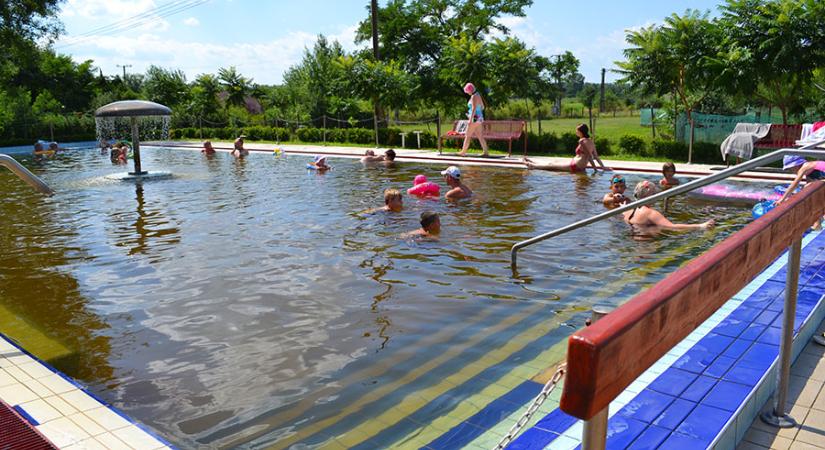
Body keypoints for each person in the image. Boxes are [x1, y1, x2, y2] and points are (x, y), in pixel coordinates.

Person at [624, 180, 714, 231]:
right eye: (655, 193)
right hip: (648, 247)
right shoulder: (651, 213)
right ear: (651, 195)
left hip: (636, 241)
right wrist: (701, 226)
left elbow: (624, 215)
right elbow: (673, 227)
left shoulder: (630, 209)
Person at [524, 124, 606, 173]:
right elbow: (596, 157)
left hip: (575, 165)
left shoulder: (582, 141)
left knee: (552, 166)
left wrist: (595, 169)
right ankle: (534, 162)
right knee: (555, 162)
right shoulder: (591, 141)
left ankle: (533, 166)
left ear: (581, 132)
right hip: (578, 165)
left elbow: (589, 155)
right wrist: (603, 168)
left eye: (577, 131)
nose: (576, 132)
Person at [776, 155, 825, 230]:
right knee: (810, 193)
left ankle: (817, 223)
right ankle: (817, 223)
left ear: (796, 165)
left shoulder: (805, 167)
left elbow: (794, 184)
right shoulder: (809, 171)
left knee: (809, 190)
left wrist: (782, 199)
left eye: (790, 169)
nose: (791, 171)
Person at [458, 82, 489, 157]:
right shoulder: (478, 95)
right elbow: (482, 107)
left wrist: (470, 119)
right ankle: (486, 152)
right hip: (480, 118)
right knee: (480, 136)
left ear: (470, 90)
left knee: (467, 135)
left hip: (475, 119)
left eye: (467, 91)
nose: (467, 93)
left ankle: (463, 152)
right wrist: (477, 113)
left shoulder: (474, 96)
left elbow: (474, 108)